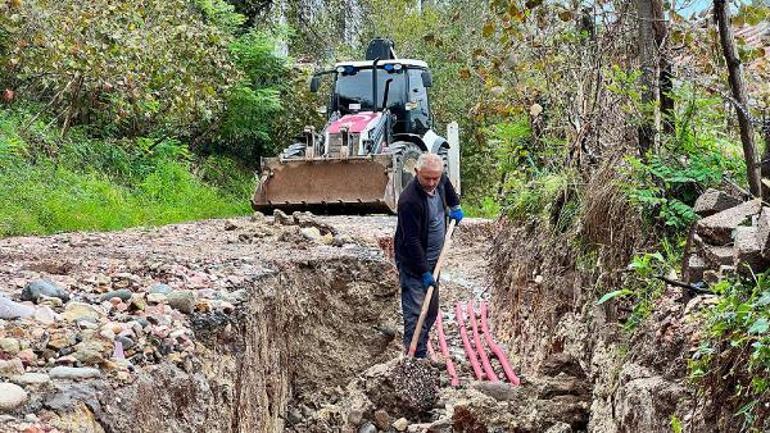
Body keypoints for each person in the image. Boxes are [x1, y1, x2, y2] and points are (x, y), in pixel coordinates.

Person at [394, 152, 463, 358]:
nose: (432, 182)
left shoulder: (439, 180)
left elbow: (447, 187)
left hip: (435, 261)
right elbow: (411, 240)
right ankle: (416, 357)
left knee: (431, 311)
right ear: (416, 172)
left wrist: (455, 206)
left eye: (436, 177)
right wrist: (424, 272)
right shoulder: (409, 201)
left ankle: (421, 347)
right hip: (415, 264)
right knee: (417, 313)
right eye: (427, 178)